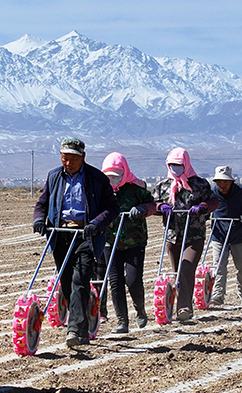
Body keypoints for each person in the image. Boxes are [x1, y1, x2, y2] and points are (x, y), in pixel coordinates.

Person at [33, 137, 118, 348]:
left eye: (72, 159)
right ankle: (81, 326)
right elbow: (42, 203)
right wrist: (39, 220)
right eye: (64, 158)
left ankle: (73, 329)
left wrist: (97, 223)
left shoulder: (97, 179)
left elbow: (112, 208)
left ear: (83, 157)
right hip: (61, 234)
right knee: (67, 281)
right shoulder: (54, 177)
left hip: (86, 236)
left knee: (81, 279)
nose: (68, 163)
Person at [150, 148, 219, 321]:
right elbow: (152, 204)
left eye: (179, 165)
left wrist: (203, 207)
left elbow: (214, 201)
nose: (175, 168)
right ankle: (175, 305)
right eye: (172, 165)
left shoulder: (199, 184)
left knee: (186, 268)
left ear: (186, 164)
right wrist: (160, 208)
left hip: (194, 235)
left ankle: (184, 308)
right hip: (173, 235)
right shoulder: (163, 185)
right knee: (177, 271)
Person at [100, 152, 156, 333]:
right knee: (114, 281)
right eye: (109, 177)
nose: (113, 181)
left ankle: (140, 310)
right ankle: (122, 321)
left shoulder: (136, 189)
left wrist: (142, 208)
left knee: (133, 280)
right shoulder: (101, 191)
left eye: (117, 177)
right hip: (110, 241)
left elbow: (152, 204)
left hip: (134, 241)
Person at [208, 165, 242, 306]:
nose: (222, 185)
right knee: (218, 267)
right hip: (218, 234)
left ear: (231, 181)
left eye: (225, 182)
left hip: (238, 234)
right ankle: (218, 296)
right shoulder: (212, 193)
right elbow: (206, 206)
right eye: (219, 182)